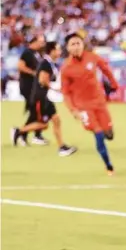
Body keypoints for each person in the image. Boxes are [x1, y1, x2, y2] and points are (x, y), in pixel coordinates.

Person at [60, 33, 119, 175]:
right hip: (83, 107)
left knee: (109, 134)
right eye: (72, 44)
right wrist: (73, 110)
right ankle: (108, 166)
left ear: (82, 44)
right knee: (98, 133)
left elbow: (105, 68)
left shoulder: (92, 57)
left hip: (99, 103)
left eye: (78, 43)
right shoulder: (66, 68)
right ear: (67, 48)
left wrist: (114, 84)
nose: (75, 47)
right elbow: (66, 93)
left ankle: (105, 135)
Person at [11, 42, 77, 156]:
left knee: (55, 121)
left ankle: (62, 147)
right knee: (44, 124)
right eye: (58, 49)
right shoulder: (46, 63)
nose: (60, 52)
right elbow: (42, 80)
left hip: (44, 97)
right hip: (41, 98)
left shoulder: (49, 63)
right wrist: (56, 88)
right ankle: (19, 131)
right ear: (51, 51)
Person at [17, 34, 47, 145]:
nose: (42, 44)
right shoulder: (27, 53)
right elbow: (20, 66)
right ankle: (21, 133)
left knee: (38, 110)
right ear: (33, 42)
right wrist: (33, 73)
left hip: (35, 87)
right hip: (28, 86)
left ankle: (36, 135)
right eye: (40, 41)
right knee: (35, 110)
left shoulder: (37, 54)